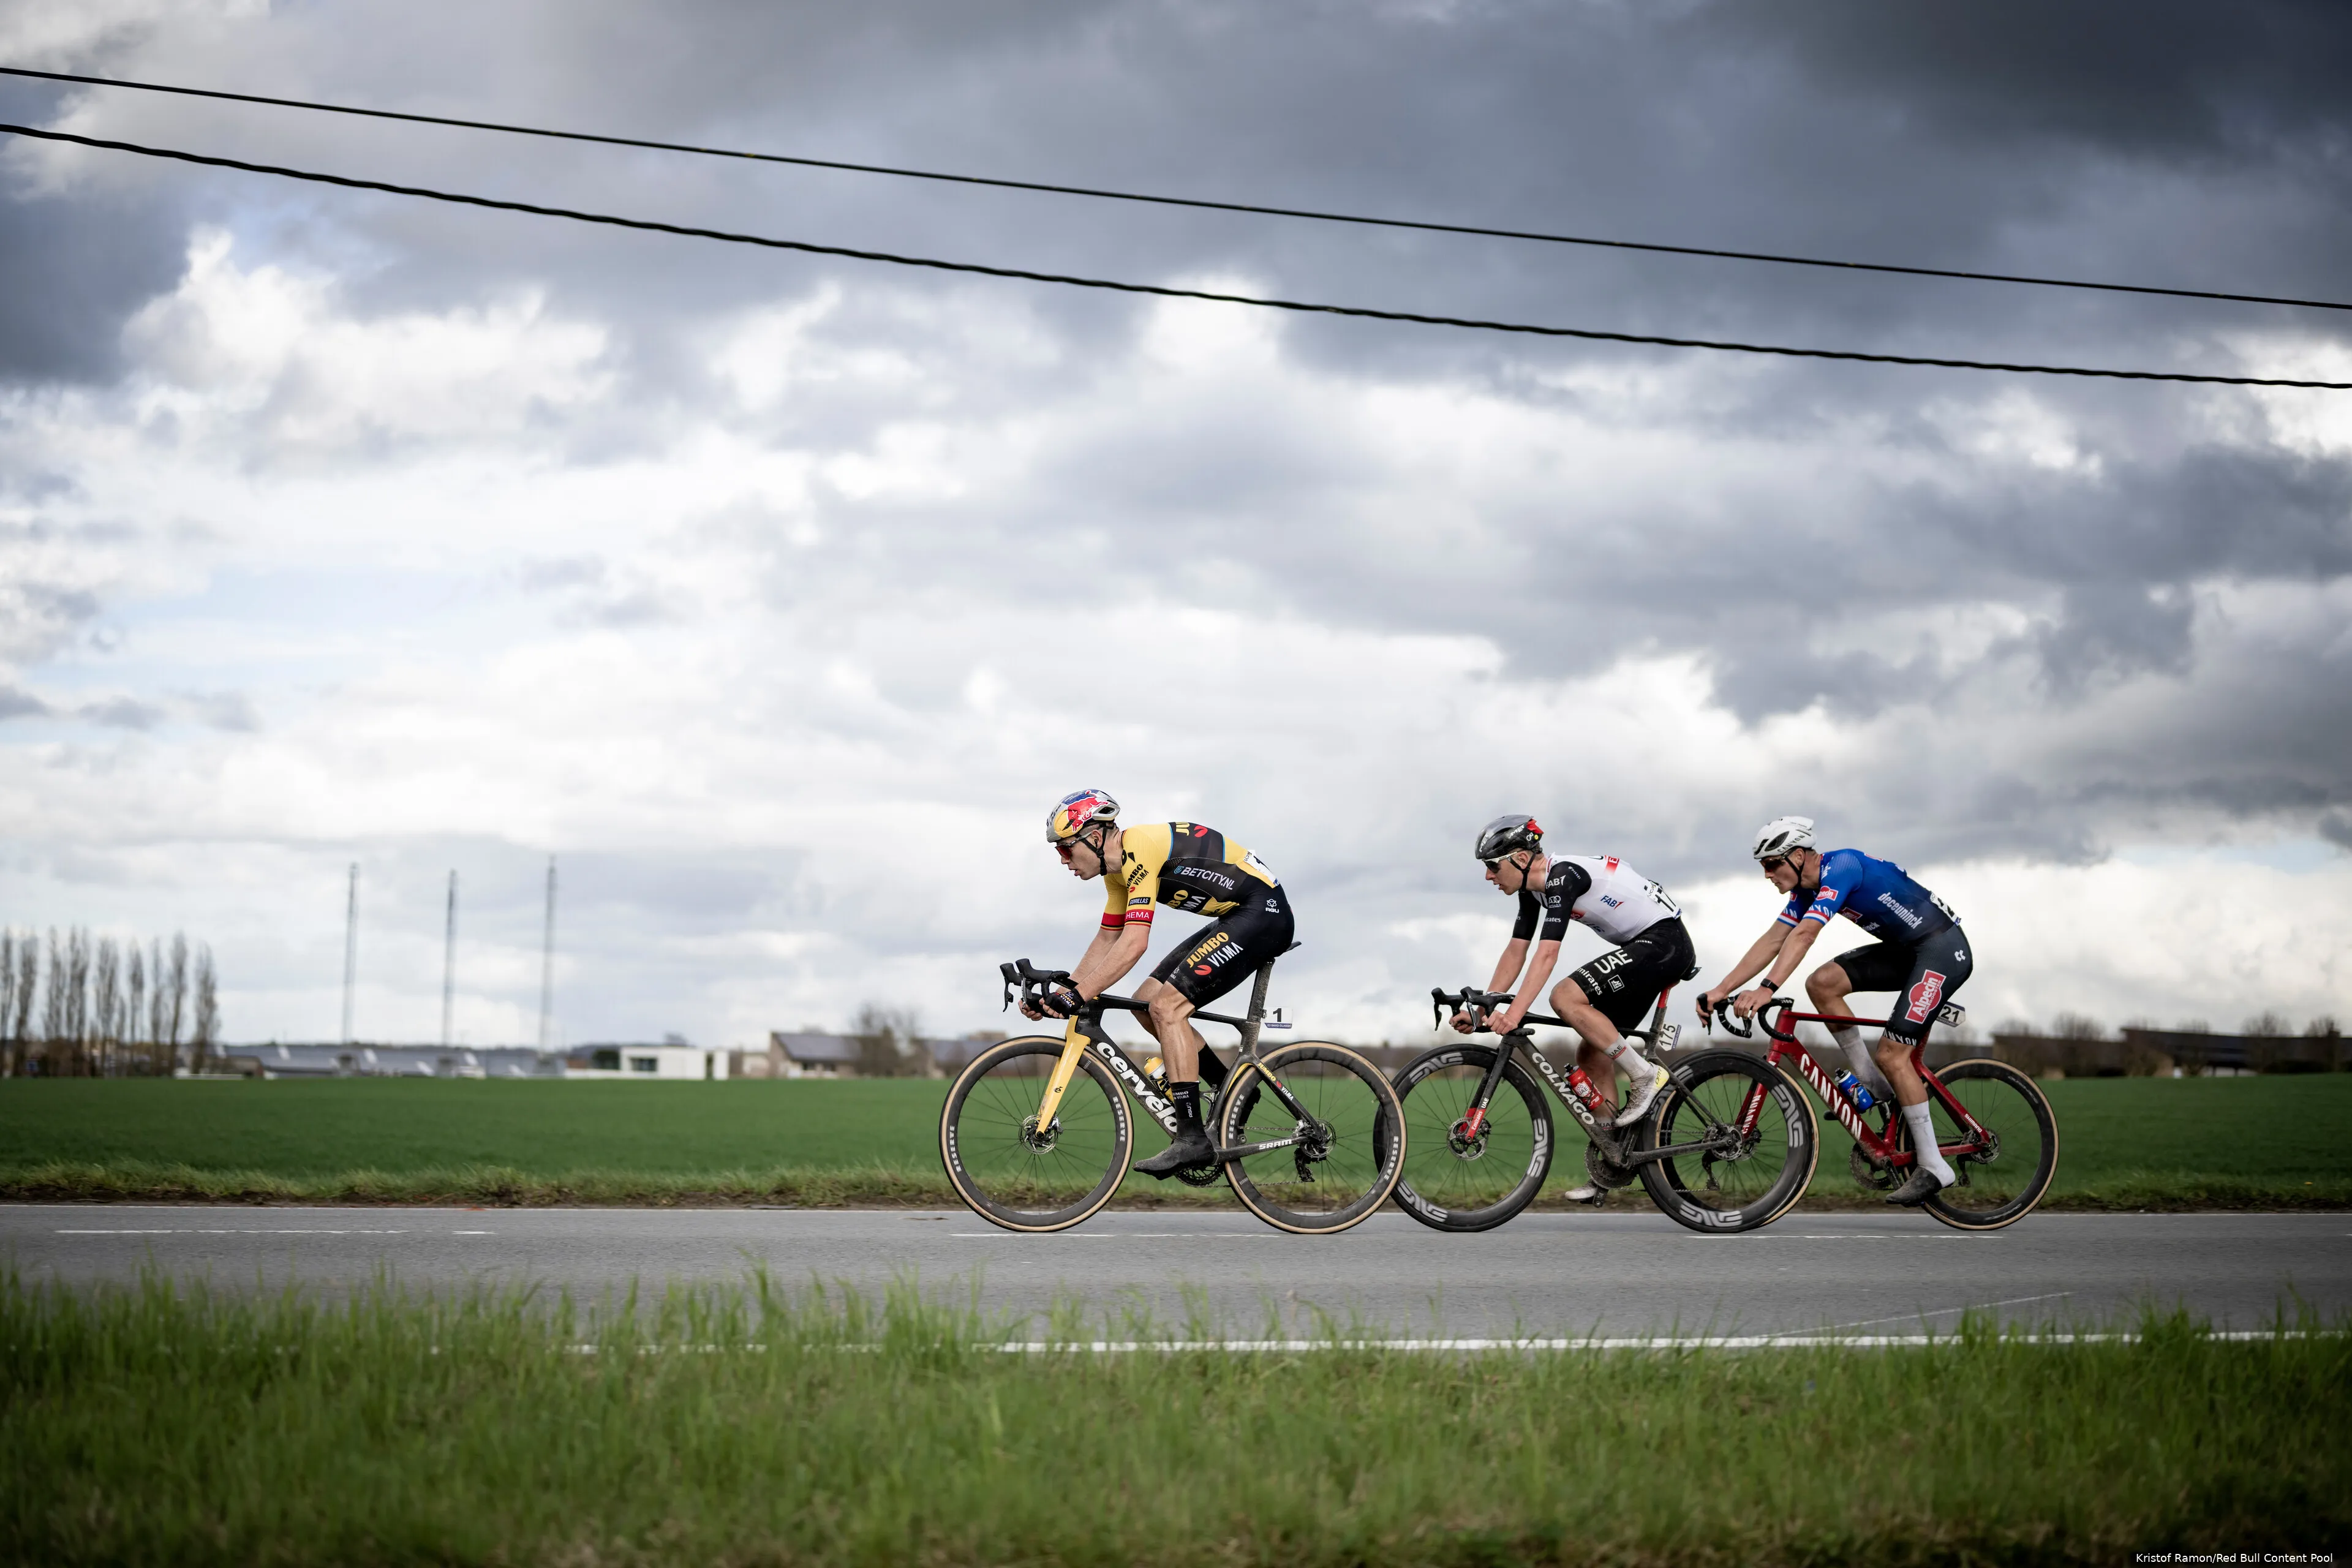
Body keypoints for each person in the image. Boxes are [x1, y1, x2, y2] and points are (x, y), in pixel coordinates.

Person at [1694, 816, 1973, 1207]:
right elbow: (1774, 939)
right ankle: (1873, 1084)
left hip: (1941, 950)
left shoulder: (1842, 867)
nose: (1767, 874)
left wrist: (1767, 989)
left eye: (1771, 864)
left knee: (1893, 1056)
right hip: (1906, 953)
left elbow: (1805, 935)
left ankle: (1933, 1165)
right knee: (1822, 984)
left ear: (1797, 856)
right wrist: (1722, 990)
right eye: (1763, 867)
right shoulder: (1805, 891)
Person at [1023, 789, 1295, 1178]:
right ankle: (1234, 1092)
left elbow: (1135, 943)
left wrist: (1079, 995)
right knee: (1146, 1002)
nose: (1063, 860)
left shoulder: (1140, 849)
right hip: (1238, 915)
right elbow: (1109, 938)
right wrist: (1064, 993)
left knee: (1166, 1008)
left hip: (1263, 915)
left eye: (1066, 849)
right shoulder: (1116, 874)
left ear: (1095, 837)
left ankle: (1192, 1140)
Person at [1453, 815, 1694, 1204]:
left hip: (1665, 943)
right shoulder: (1533, 891)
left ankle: (1645, 1076)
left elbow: (1547, 955)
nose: (1488, 876)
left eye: (1493, 866)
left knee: (1564, 997)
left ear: (1519, 858)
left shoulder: (1562, 877)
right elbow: (1517, 951)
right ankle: (1613, 1160)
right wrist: (1485, 1006)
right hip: (1646, 947)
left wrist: (1514, 1013)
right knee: (1592, 1054)